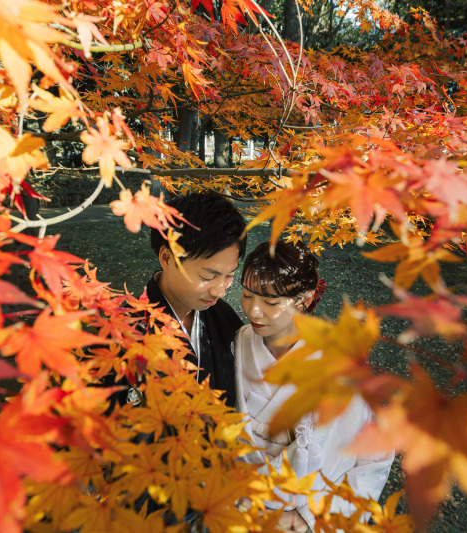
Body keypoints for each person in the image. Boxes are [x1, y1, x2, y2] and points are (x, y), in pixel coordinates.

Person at [234, 240, 394, 533]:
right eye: (246, 295)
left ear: (305, 299)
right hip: (237, 508)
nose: (254, 312)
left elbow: (374, 458)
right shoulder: (238, 342)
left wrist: (308, 518)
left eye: (270, 303)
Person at [144, 190, 246, 408]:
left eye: (230, 275)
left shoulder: (224, 319)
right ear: (167, 259)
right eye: (208, 276)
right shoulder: (129, 332)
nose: (220, 291)